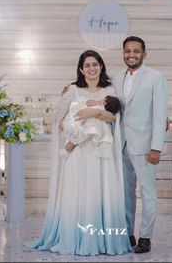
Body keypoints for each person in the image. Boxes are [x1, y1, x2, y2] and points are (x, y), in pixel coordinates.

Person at [25, 50, 131, 255]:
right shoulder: (72, 90)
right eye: (87, 65)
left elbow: (113, 118)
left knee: (99, 192)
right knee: (79, 191)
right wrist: (75, 132)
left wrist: (95, 113)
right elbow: (59, 120)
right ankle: (75, 236)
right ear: (81, 69)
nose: (92, 68)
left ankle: (100, 239)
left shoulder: (110, 89)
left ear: (101, 66)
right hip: (78, 152)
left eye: (95, 64)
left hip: (100, 151)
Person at [113, 36, 168, 254]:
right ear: (123, 53)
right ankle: (128, 234)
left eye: (136, 51)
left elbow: (160, 114)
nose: (131, 55)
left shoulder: (156, 77)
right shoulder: (116, 78)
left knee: (147, 192)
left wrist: (156, 147)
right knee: (125, 193)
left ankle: (145, 237)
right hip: (122, 144)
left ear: (144, 53)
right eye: (127, 51)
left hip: (145, 146)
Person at [60, 95, 121, 160]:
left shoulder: (97, 105)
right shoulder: (104, 115)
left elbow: (88, 102)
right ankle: (66, 150)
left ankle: (66, 150)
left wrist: (94, 102)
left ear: (104, 102)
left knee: (75, 138)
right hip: (90, 131)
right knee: (77, 139)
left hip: (80, 125)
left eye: (102, 99)